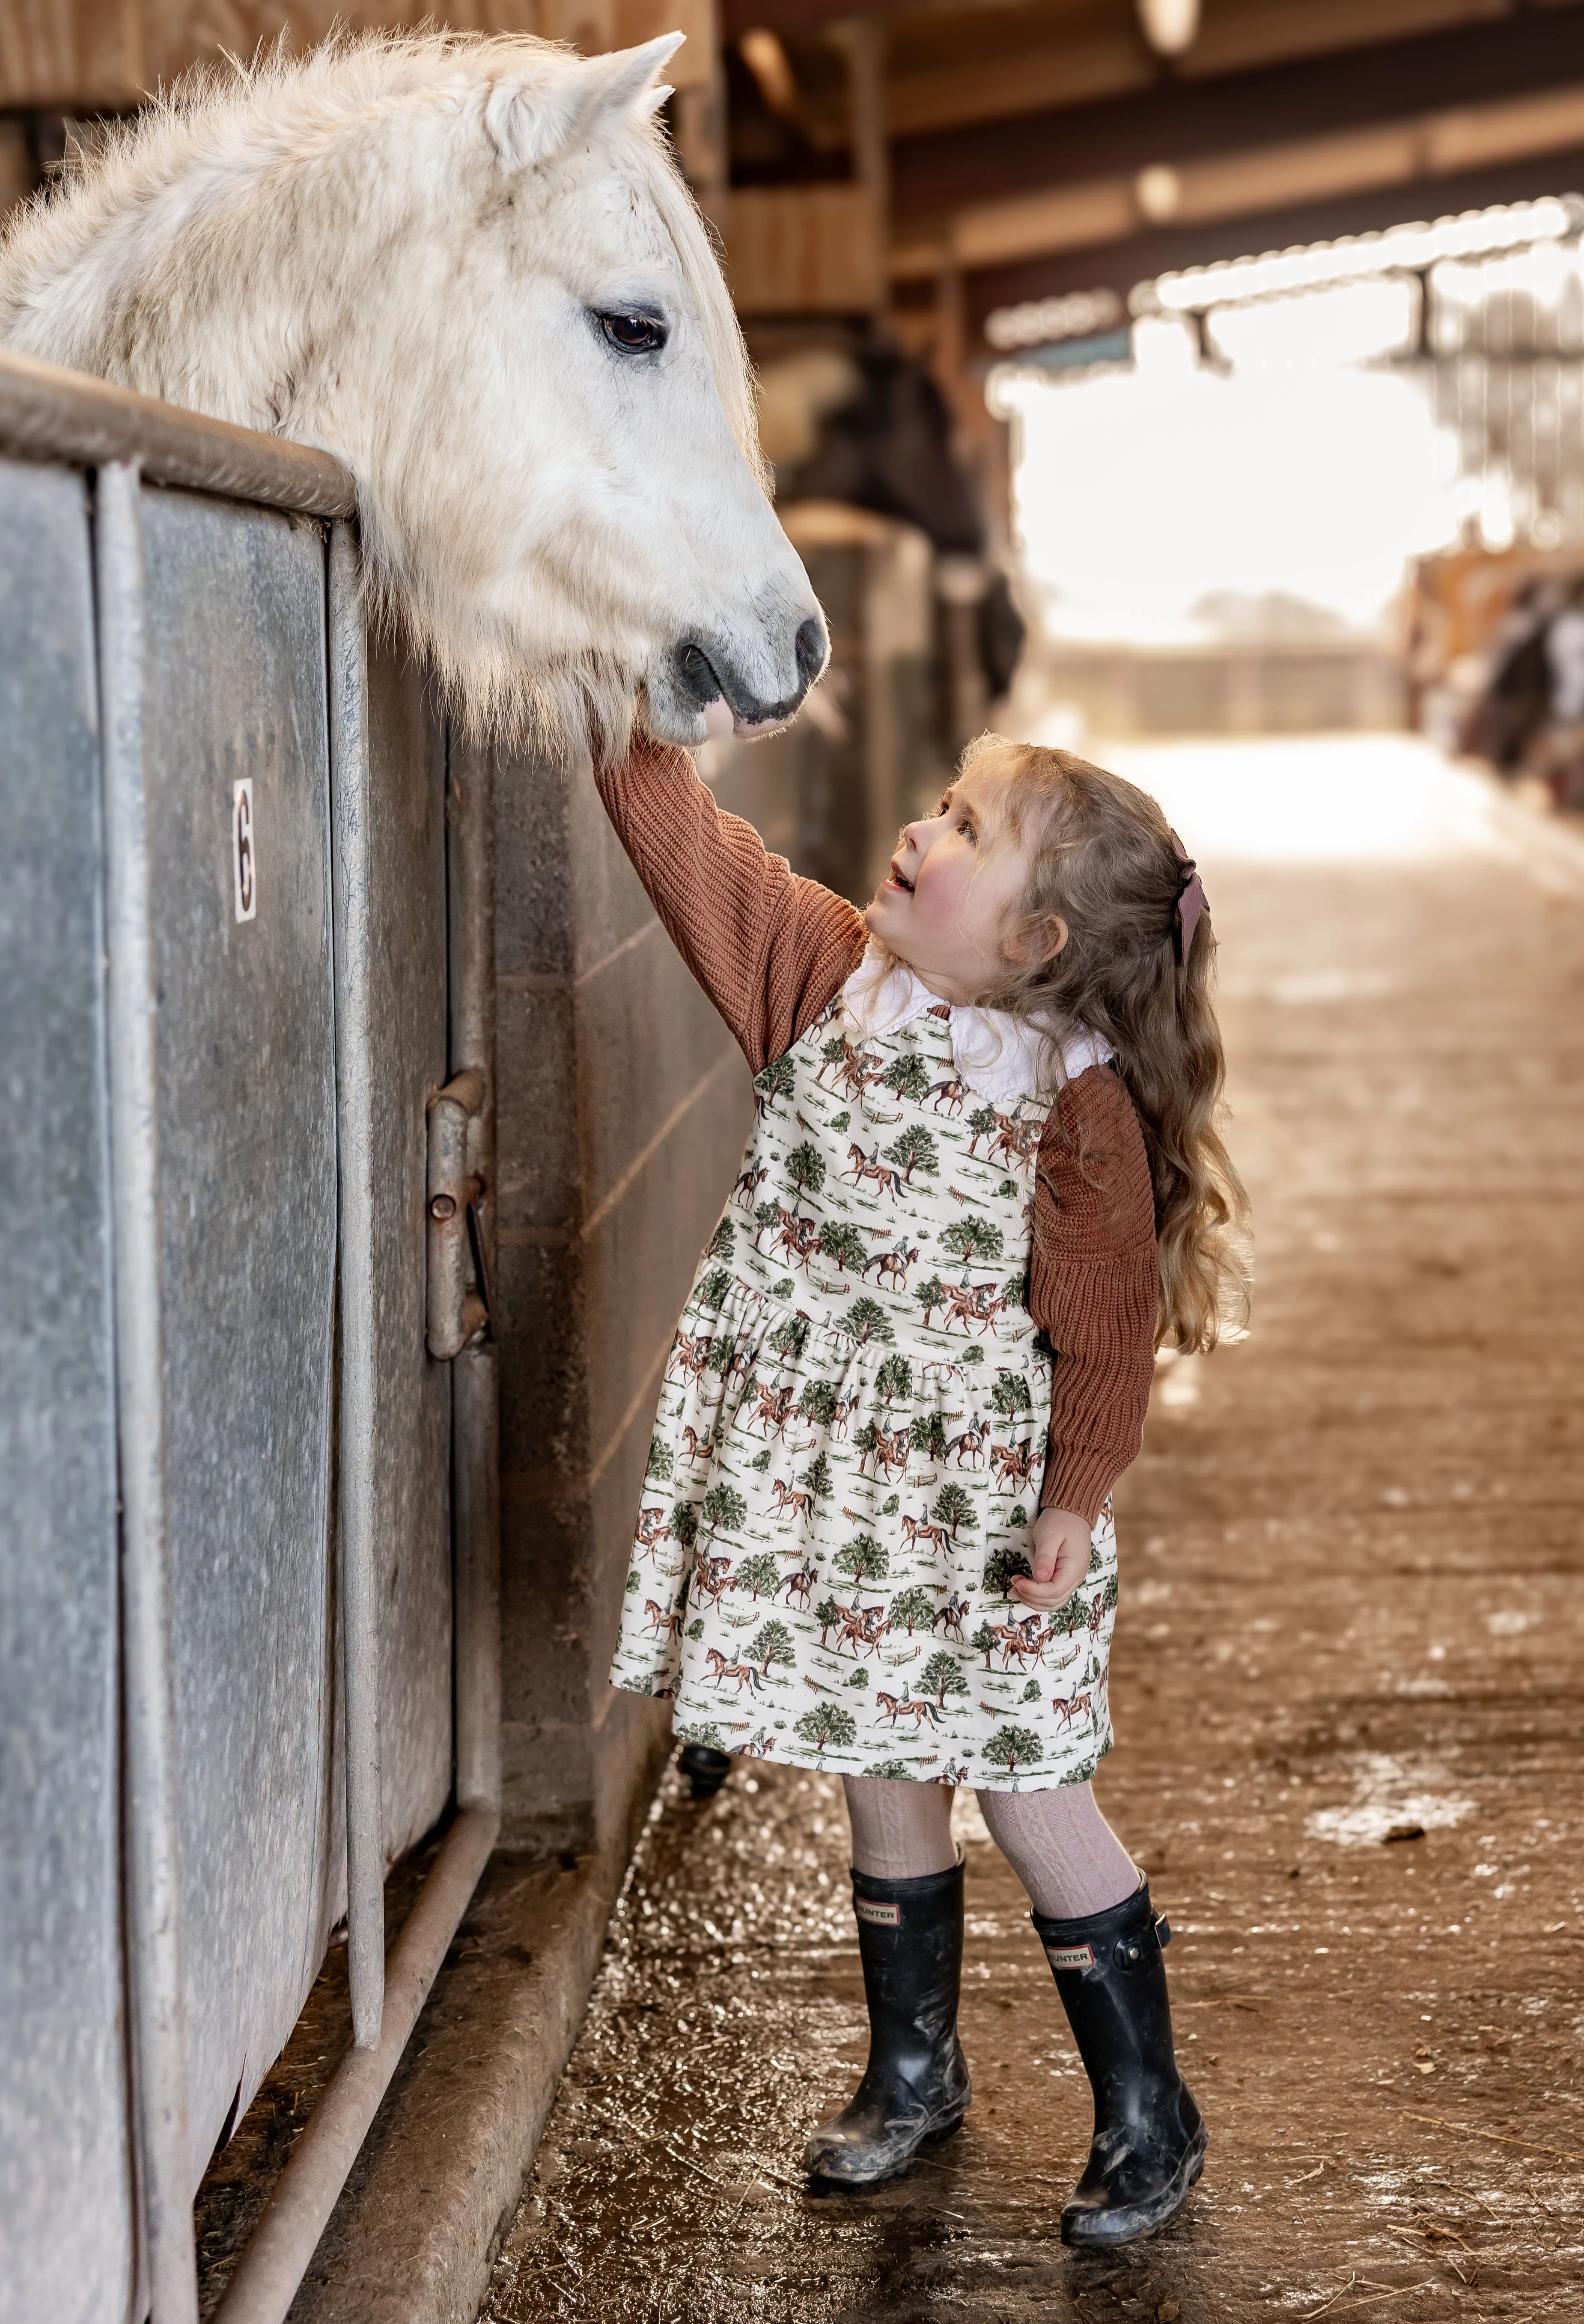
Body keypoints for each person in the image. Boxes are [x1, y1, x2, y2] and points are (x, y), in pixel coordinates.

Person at [600, 731, 1249, 2245]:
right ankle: (912, 2069)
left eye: (965, 825)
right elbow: (692, 852)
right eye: (942, 802)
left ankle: (1148, 2109)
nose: (919, 825)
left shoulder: (1070, 1099)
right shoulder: (821, 975)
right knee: (874, 1757)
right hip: (838, 1496)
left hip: (991, 1520)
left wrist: (1073, 1504)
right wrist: (645, 731)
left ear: (1035, 943)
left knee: (1027, 1789)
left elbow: (1104, 1329)